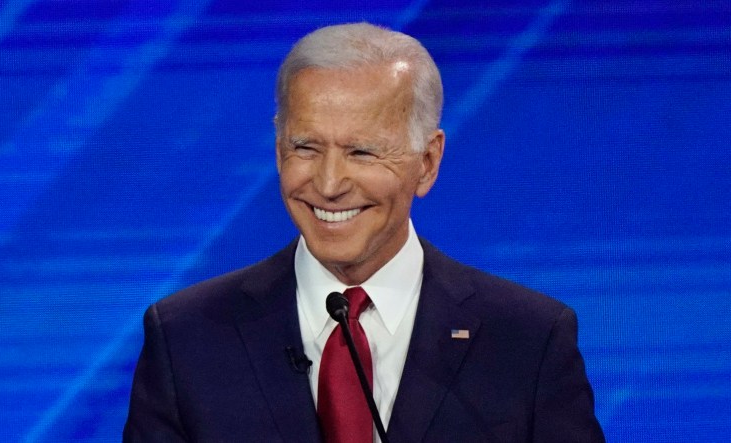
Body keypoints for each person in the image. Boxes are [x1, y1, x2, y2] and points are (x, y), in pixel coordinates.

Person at [124, 22, 605, 442]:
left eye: (362, 152)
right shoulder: (186, 339)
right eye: (306, 147)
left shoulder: (528, 341)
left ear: (427, 162)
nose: (329, 184)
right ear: (277, 148)